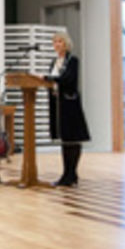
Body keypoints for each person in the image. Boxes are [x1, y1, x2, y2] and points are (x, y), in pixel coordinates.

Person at [48, 31, 89, 187]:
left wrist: (48, 78)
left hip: (70, 103)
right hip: (58, 105)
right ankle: (67, 174)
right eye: (55, 42)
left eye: (60, 41)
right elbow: (52, 82)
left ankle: (72, 173)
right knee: (65, 141)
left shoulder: (73, 60)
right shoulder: (54, 62)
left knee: (73, 139)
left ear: (66, 43)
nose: (57, 44)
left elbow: (68, 80)